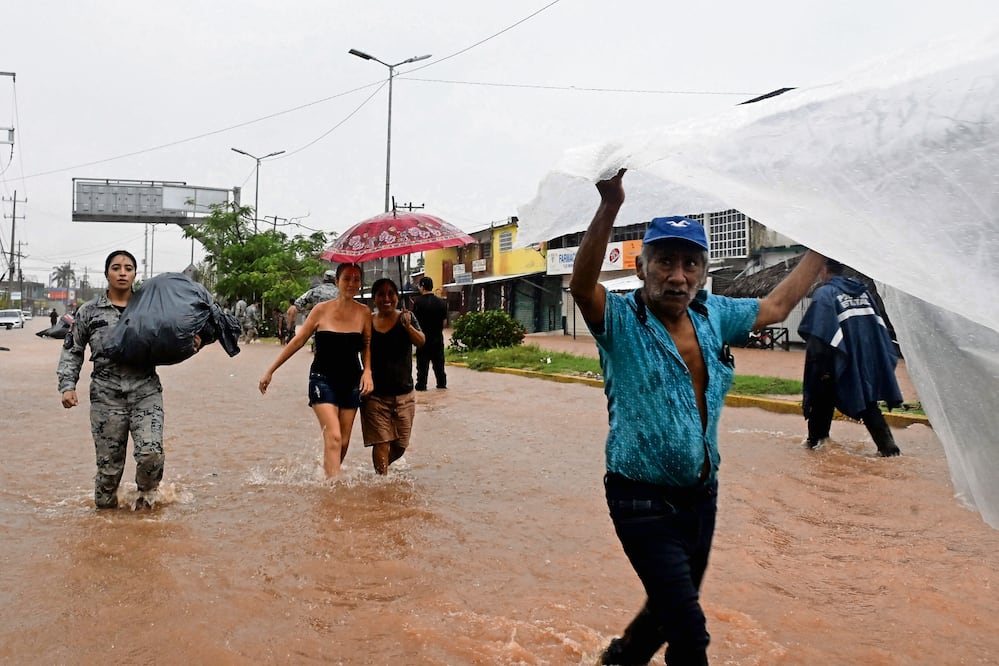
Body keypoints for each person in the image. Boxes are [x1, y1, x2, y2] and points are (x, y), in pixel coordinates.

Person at [569, 170, 825, 666]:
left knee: (663, 616)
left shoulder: (713, 314)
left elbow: (776, 306)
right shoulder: (620, 319)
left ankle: (617, 660)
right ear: (642, 267)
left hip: (701, 497)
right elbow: (582, 286)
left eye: (690, 264)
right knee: (690, 633)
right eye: (665, 261)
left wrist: (821, 250)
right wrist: (610, 206)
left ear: (704, 272)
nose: (678, 276)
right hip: (640, 497)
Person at [57, 250, 165, 510]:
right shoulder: (89, 311)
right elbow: (72, 349)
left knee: (151, 455)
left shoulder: (149, 308)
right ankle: (106, 519)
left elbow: (174, 334)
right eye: (116, 268)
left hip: (145, 391)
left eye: (128, 268)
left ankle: (146, 502)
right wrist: (68, 386)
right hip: (106, 396)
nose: (122, 273)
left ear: (135, 274)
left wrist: (193, 341)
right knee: (109, 470)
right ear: (107, 273)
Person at [258, 263, 373, 478]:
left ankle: (327, 474)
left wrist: (368, 371)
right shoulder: (320, 310)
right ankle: (332, 488)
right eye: (346, 279)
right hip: (323, 380)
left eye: (356, 279)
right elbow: (298, 341)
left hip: (351, 381)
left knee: (343, 441)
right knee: (334, 437)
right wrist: (270, 370)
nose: (351, 283)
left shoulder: (364, 312)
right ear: (337, 282)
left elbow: (366, 344)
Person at [798, 259, 903, 456]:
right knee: (867, 402)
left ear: (823, 269)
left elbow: (819, 333)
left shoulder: (825, 293)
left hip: (834, 359)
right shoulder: (863, 292)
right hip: (864, 358)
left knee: (821, 401)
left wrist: (820, 369)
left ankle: (816, 445)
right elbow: (877, 326)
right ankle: (889, 450)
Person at [361, 278, 425, 474]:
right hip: (375, 396)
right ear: (374, 298)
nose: (386, 298)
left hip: (404, 395)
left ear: (397, 297)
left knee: (400, 446)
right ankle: (381, 484)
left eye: (391, 293)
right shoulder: (367, 321)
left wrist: (408, 327)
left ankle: (376, 474)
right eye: (381, 294)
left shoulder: (407, 317)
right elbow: (361, 349)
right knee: (381, 442)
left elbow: (421, 341)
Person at [411, 276, 448, 390]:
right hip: (437, 338)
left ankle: (421, 385)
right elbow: (445, 322)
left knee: (422, 366)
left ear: (422, 287)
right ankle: (441, 383)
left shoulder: (418, 303)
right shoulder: (441, 302)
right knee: (439, 364)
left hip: (422, 340)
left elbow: (414, 322)